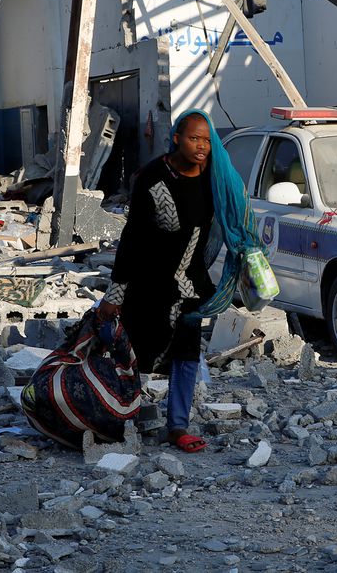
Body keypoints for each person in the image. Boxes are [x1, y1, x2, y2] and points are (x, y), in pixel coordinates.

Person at [96, 109, 259, 453]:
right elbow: (133, 238)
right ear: (176, 138)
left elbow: (236, 217)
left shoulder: (216, 178)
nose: (201, 146)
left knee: (186, 354)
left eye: (206, 140)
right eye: (193, 138)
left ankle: (178, 426)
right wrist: (115, 292)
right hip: (148, 283)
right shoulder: (152, 177)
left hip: (191, 283)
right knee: (134, 353)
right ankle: (119, 417)